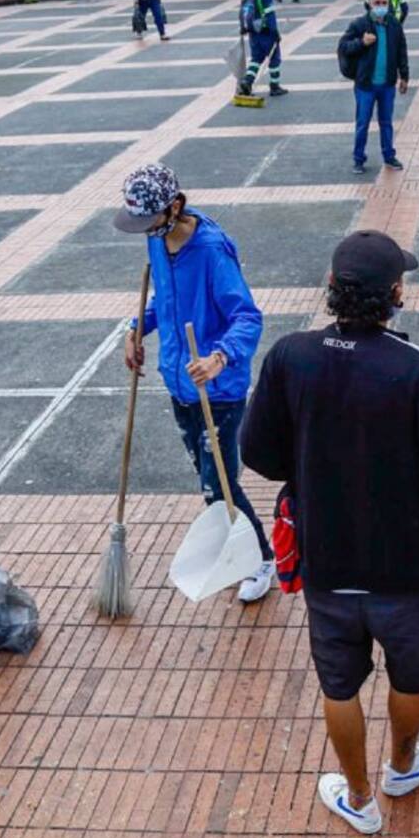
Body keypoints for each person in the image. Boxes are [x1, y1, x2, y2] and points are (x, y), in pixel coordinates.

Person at [240, 231, 419, 836]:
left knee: (338, 684)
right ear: (394, 295)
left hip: (328, 561)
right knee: (409, 673)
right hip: (409, 565)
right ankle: (402, 766)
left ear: (334, 291)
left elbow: (257, 452)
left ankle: (359, 799)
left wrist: (311, 465)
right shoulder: (418, 369)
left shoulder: (289, 356)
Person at [113, 164, 275, 604]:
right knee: (207, 477)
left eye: (149, 221)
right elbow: (162, 302)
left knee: (218, 482)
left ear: (175, 206)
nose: (145, 231)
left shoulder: (210, 251)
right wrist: (135, 329)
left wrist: (219, 357)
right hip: (179, 382)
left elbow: (247, 316)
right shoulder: (156, 239)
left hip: (216, 389)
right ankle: (235, 547)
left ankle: (260, 558)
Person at [339, 0, 409, 174]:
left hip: (387, 84)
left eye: (384, 3)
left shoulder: (394, 24)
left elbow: (402, 51)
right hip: (365, 85)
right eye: (377, 3)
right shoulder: (359, 25)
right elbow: (344, 46)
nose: (380, 6)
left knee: (386, 122)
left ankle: (389, 156)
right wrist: (361, 42)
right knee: (362, 123)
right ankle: (358, 159)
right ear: (369, 4)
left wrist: (405, 76)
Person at [238, 0, 288, 98]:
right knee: (274, 58)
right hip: (266, 31)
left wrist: (243, 27)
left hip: (252, 30)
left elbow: (241, 10)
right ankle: (274, 86)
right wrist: (275, 32)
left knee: (256, 58)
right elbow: (270, 15)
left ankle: (247, 82)